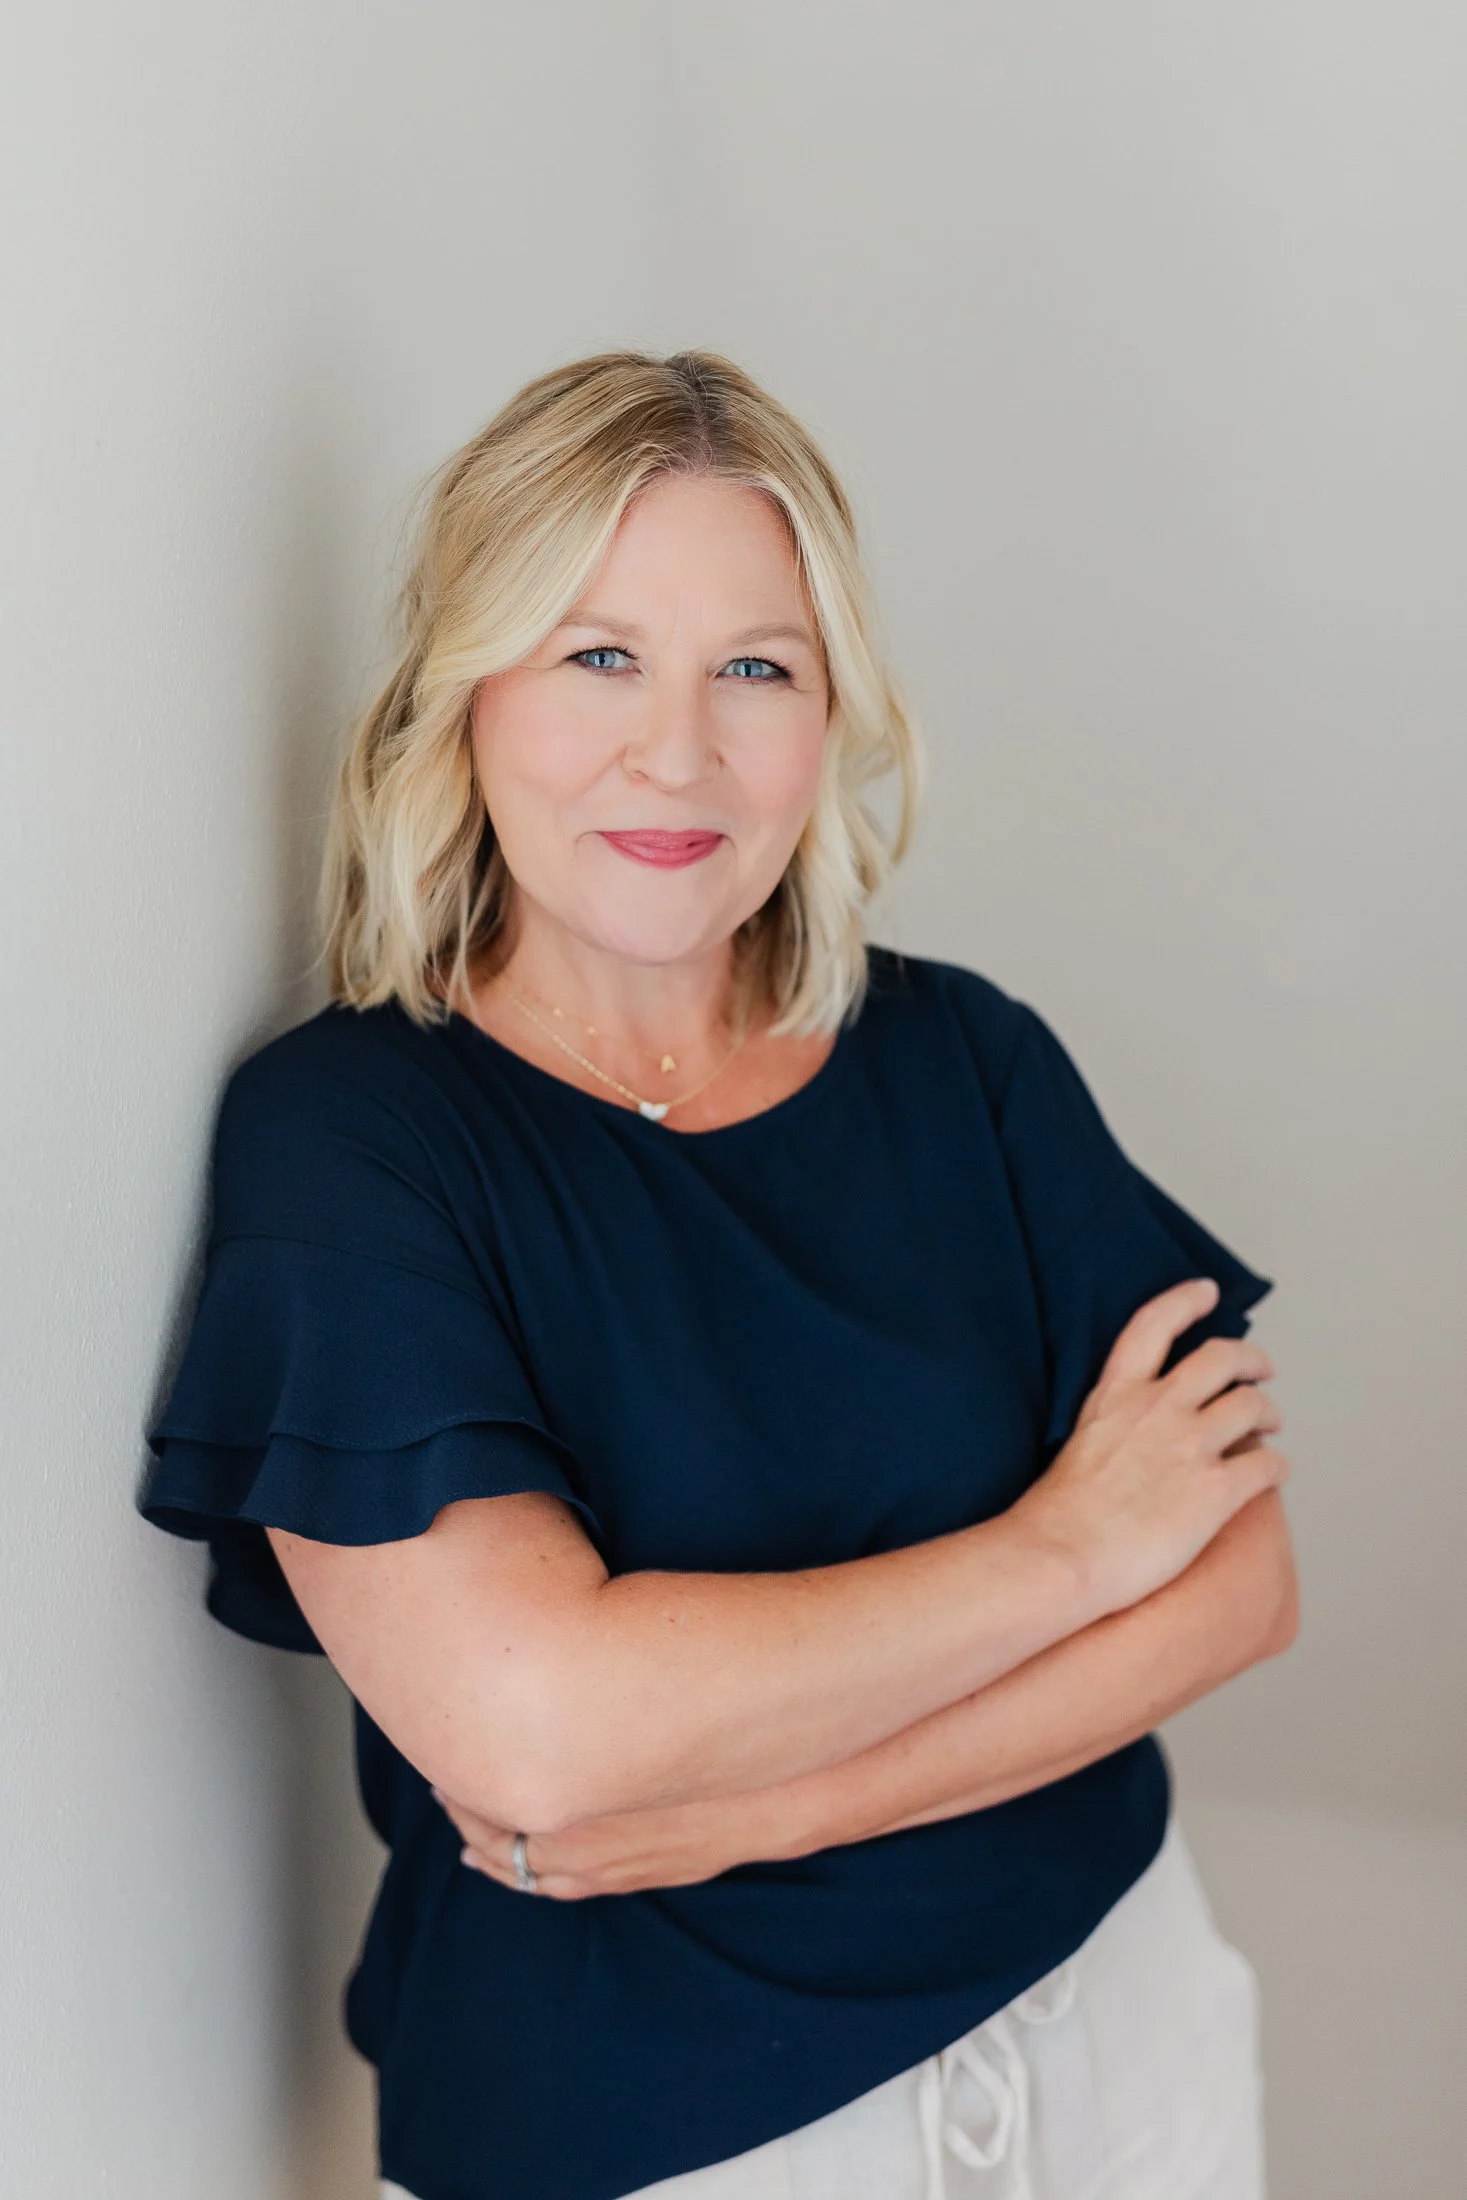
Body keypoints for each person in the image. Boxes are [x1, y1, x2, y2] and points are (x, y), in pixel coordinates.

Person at [139, 349, 1297, 2200]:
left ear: (828, 712)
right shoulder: (354, 1138)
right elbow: (542, 1734)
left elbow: (1238, 1578)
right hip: (657, 2133)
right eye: (598, 655)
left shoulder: (964, 1062)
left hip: (1110, 2002)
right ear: (465, 693)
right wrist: (1068, 1552)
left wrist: (774, 1802)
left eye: (752, 667)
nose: (674, 753)